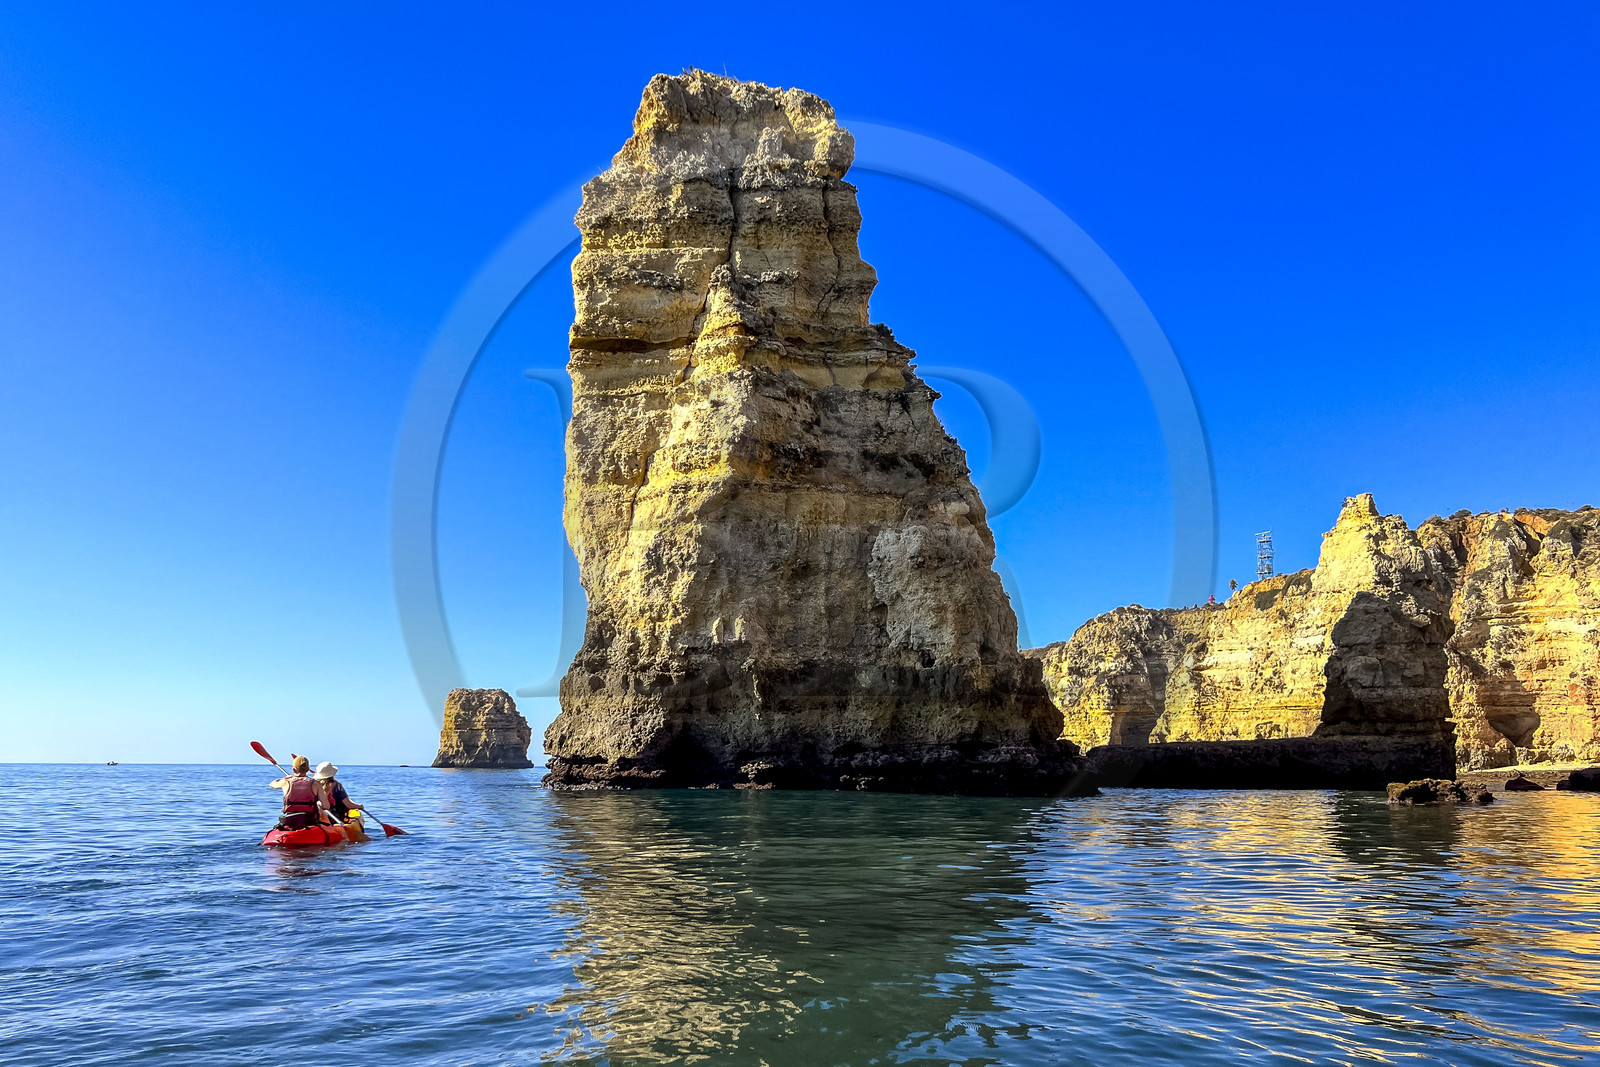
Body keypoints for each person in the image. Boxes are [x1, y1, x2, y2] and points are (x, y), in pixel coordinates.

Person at [268, 755, 319, 831]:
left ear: (294, 770)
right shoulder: (316, 783)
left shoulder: (285, 782)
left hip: (290, 820)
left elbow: (272, 784)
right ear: (308, 769)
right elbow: (326, 806)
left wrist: (284, 778)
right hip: (309, 820)